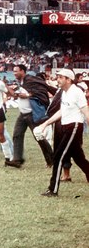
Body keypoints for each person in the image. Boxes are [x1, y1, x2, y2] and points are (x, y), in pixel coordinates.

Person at [34, 69, 89, 197]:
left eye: (60, 77)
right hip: (66, 126)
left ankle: (53, 189)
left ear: (68, 79)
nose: (57, 79)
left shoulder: (76, 92)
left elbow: (86, 111)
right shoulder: (65, 92)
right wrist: (45, 124)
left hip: (74, 126)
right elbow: (61, 112)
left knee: (58, 156)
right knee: (79, 158)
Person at [8, 65, 55, 167]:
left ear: (23, 71)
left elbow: (40, 92)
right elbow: (17, 95)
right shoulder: (20, 83)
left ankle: (51, 159)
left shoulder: (30, 80)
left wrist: (28, 95)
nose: (14, 73)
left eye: (16, 71)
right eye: (13, 72)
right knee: (17, 135)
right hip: (22, 114)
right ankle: (17, 160)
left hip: (31, 114)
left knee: (39, 137)